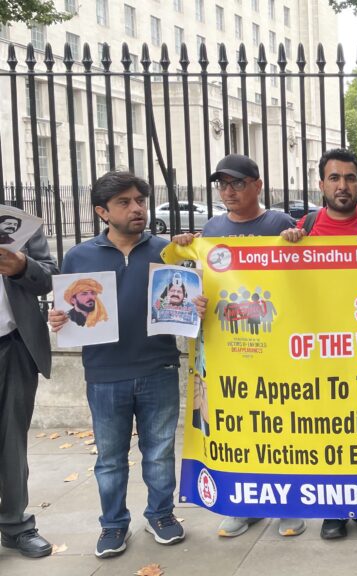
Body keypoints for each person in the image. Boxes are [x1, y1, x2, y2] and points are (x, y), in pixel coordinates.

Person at [48, 171, 206, 558]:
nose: (137, 208)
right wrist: (57, 319)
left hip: (159, 368)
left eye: (140, 200)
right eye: (125, 202)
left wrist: (196, 306)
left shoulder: (167, 251)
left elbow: (188, 299)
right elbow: (71, 309)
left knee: (158, 451)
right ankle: (113, 525)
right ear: (103, 211)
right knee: (110, 458)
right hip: (104, 374)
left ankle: (162, 515)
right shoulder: (79, 256)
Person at [172, 154, 302, 538]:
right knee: (236, 426)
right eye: (223, 184)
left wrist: (298, 238)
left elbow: (306, 271)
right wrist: (184, 248)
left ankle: (287, 506)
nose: (229, 191)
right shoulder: (212, 227)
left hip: (275, 341)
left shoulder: (278, 223)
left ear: (257, 186)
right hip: (229, 349)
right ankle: (243, 505)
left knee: (282, 423)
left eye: (238, 183)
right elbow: (200, 282)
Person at [280, 148, 357, 538]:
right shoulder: (305, 228)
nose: (342, 186)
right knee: (331, 432)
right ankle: (334, 512)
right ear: (321, 183)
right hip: (324, 353)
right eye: (334, 178)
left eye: (349, 178)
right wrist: (288, 246)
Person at [0, 227, 56, 558]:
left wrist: (22, 265)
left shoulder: (15, 225)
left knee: (11, 442)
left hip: (12, 347)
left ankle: (15, 525)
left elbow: (50, 277)